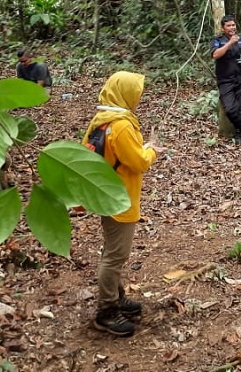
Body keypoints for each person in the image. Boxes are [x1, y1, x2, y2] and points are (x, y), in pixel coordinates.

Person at [81, 71, 162, 337]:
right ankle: (106, 311)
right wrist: (151, 150)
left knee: (112, 251)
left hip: (105, 194)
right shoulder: (122, 125)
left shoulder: (102, 117)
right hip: (121, 199)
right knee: (115, 256)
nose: (139, 97)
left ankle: (117, 296)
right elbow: (138, 161)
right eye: (137, 91)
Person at [211, 14, 241, 146]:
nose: (232, 27)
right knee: (231, 109)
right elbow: (215, 55)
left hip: (239, 78)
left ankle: (238, 134)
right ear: (223, 28)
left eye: (233, 25)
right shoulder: (218, 40)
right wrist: (230, 43)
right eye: (229, 25)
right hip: (225, 79)